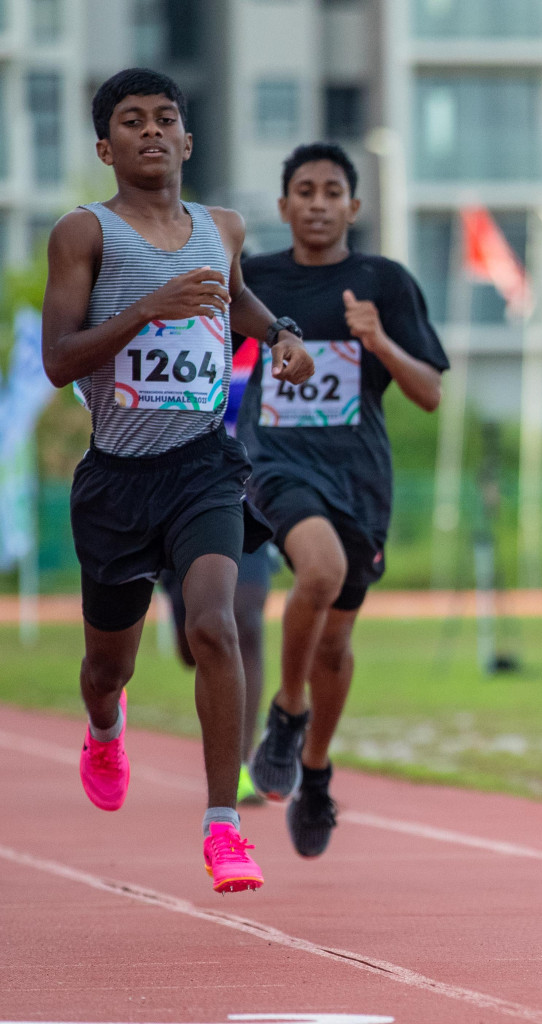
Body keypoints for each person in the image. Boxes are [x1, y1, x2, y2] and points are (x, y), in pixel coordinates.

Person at [41, 68, 314, 893]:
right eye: (132, 121)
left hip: (202, 465)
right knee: (106, 670)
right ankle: (102, 728)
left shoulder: (221, 227)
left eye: (166, 119)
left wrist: (283, 337)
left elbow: (234, 301)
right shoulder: (83, 233)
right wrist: (143, 312)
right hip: (118, 479)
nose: (151, 131)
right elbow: (59, 360)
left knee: (216, 625)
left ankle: (223, 825)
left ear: (189, 140)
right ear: (105, 146)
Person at [242, 142, 448, 857]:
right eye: (305, 190)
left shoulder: (382, 281)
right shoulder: (255, 278)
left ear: (354, 207)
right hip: (275, 462)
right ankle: (287, 712)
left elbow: (429, 393)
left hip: (359, 477)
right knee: (318, 573)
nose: (319, 203)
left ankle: (317, 770)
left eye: (333, 191)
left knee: (336, 640)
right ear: (284, 206)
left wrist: (379, 340)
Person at [159, 333, 275, 808]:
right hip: (171, 498)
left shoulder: (265, 345)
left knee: (244, 624)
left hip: (242, 501)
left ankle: (241, 767)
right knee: (197, 643)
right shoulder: (174, 333)